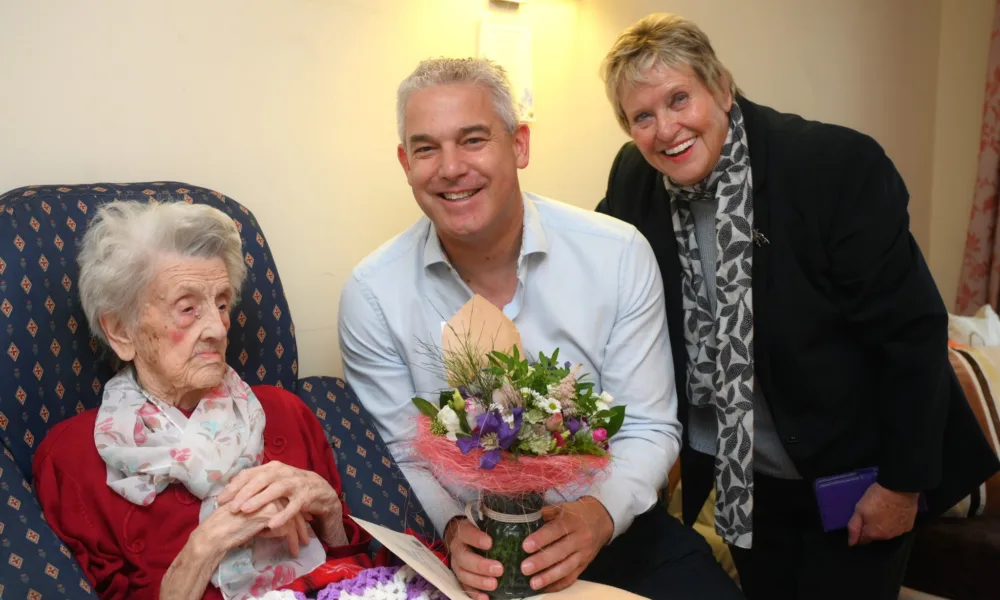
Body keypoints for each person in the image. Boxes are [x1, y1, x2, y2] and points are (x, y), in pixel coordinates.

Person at [596, 13, 1000, 600]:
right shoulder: (636, 179)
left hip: (857, 472)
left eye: (679, 98)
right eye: (642, 116)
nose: (666, 129)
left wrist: (900, 486)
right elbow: (599, 269)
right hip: (744, 482)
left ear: (722, 88)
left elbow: (911, 334)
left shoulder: (831, 167)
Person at [338, 57, 744, 600]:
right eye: (426, 148)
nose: (451, 168)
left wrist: (596, 516)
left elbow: (649, 425)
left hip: (610, 529)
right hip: (472, 552)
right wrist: (454, 530)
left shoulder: (617, 254)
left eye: (473, 139)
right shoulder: (373, 293)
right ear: (404, 163)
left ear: (520, 146)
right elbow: (402, 449)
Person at [33, 201, 371, 600]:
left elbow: (363, 578)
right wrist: (204, 548)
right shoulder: (73, 459)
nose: (216, 327)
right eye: (188, 308)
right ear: (121, 330)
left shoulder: (285, 411)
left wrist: (329, 510)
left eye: (222, 303)